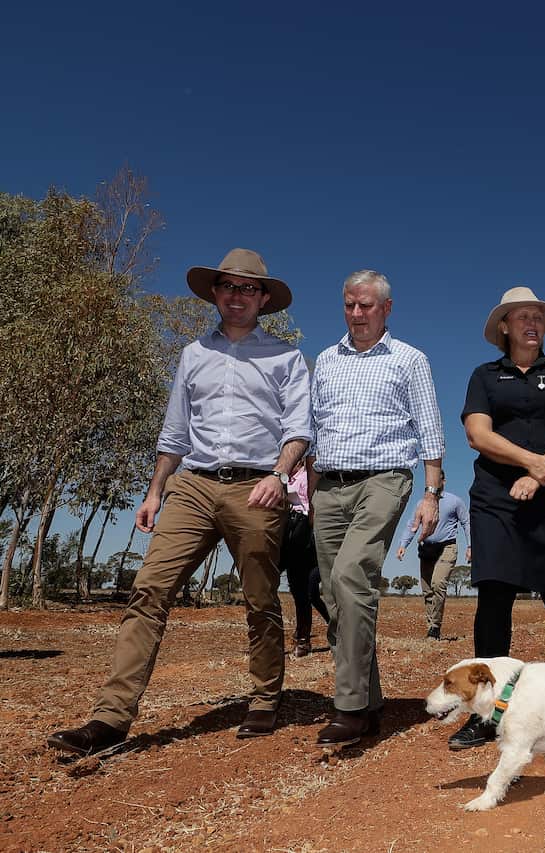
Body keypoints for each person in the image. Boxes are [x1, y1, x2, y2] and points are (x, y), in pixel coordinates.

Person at [48, 248, 311, 755]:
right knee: (148, 591)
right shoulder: (194, 353)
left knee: (258, 598)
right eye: (228, 286)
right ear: (215, 293)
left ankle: (263, 697)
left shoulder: (286, 357)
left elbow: (300, 430)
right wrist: (154, 491)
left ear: (263, 299)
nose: (237, 295)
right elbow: (175, 431)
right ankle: (110, 718)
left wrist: (280, 475)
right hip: (192, 484)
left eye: (248, 288)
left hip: (256, 485)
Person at [447, 286, 545, 751]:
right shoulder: (484, 376)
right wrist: (531, 464)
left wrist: (543, 472)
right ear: (504, 328)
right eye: (522, 317)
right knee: (494, 596)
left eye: (538, 317)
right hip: (497, 499)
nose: (532, 324)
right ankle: (487, 714)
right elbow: (477, 434)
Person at [309, 270, 445, 748]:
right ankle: (369, 698)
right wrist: (305, 491)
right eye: (349, 305)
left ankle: (349, 708)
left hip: (385, 479)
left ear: (386, 308)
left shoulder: (409, 360)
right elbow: (313, 427)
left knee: (351, 576)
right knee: (332, 593)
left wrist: (431, 493)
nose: (357, 314)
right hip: (327, 485)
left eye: (366, 305)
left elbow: (430, 428)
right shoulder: (325, 360)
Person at [394, 472, 472, 639]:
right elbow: (412, 524)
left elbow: (466, 522)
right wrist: (403, 544)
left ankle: (435, 627)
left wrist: (471, 545)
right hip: (427, 549)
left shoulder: (455, 501)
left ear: (443, 480)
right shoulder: (422, 503)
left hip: (447, 547)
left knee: (438, 584)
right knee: (427, 590)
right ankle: (431, 628)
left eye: (439, 479)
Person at [281, 460, 329, 657]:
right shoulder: (282, 476)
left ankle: (303, 639)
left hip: (303, 536)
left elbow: (311, 505)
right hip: (283, 534)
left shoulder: (307, 477)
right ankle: (270, 638)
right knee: (272, 584)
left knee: (303, 592)